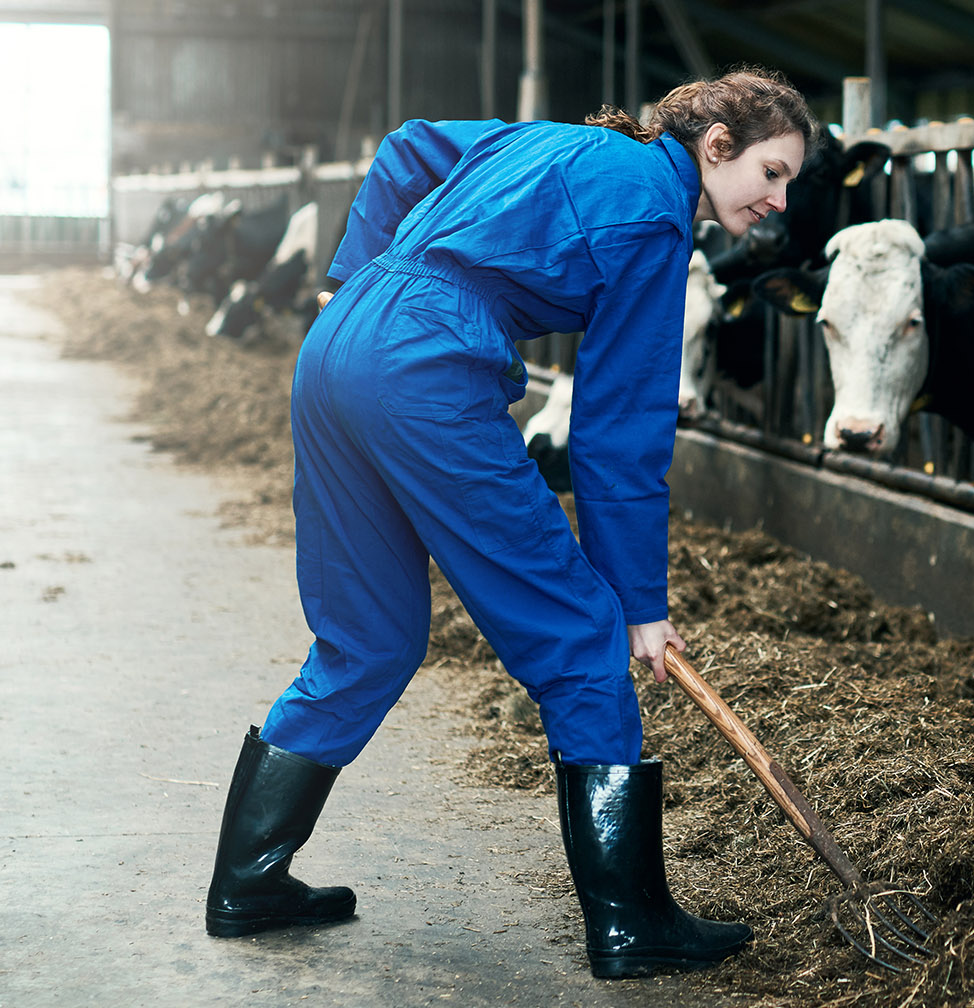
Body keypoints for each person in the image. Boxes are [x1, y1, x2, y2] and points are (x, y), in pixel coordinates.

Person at [204, 68, 819, 980]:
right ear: (716, 146)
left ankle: (247, 882)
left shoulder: (555, 139)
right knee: (581, 635)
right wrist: (637, 604)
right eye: (770, 173)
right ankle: (633, 924)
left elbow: (407, 143)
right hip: (427, 368)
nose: (776, 201)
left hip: (337, 348)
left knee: (367, 639)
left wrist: (352, 282)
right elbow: (618, 430)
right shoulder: (658, 211)